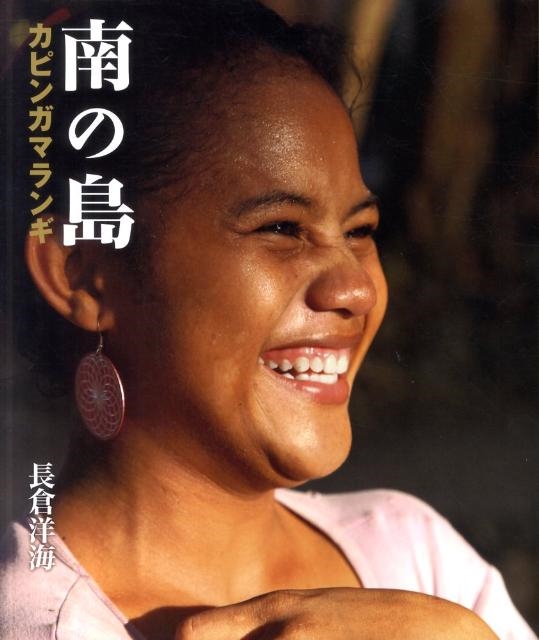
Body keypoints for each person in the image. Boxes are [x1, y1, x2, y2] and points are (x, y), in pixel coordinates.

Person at [0, 1, 535, 638]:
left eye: (360, 230)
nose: (358, 289)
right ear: (84, 273)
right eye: (281, 227)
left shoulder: (418, 558)